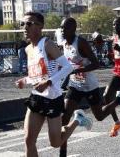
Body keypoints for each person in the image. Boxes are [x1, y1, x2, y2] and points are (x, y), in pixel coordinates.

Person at [15, 12, 92, 157]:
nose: (25, 27)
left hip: (52, 99)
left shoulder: (48, 45)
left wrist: (49, 82)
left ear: (40, 26)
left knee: (55, 143)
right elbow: (36, 75)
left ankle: (77, 120)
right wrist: (24, 80)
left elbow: (68, 68)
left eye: (29, 23)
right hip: (36, 98)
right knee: (28, 141)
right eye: (23, 24)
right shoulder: (28, 49)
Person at [59, 18, 120, 157]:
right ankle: (63, 154)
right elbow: (67, 63)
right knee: (64, 118)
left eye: (65, 28)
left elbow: (96, 64)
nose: (62, 31)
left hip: (89, 85)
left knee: (100, 116)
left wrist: (77, 70)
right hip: (74, 85)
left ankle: (118, 100)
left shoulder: (81, 43)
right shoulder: (63, 43)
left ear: (73, 29)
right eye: (61, 28)